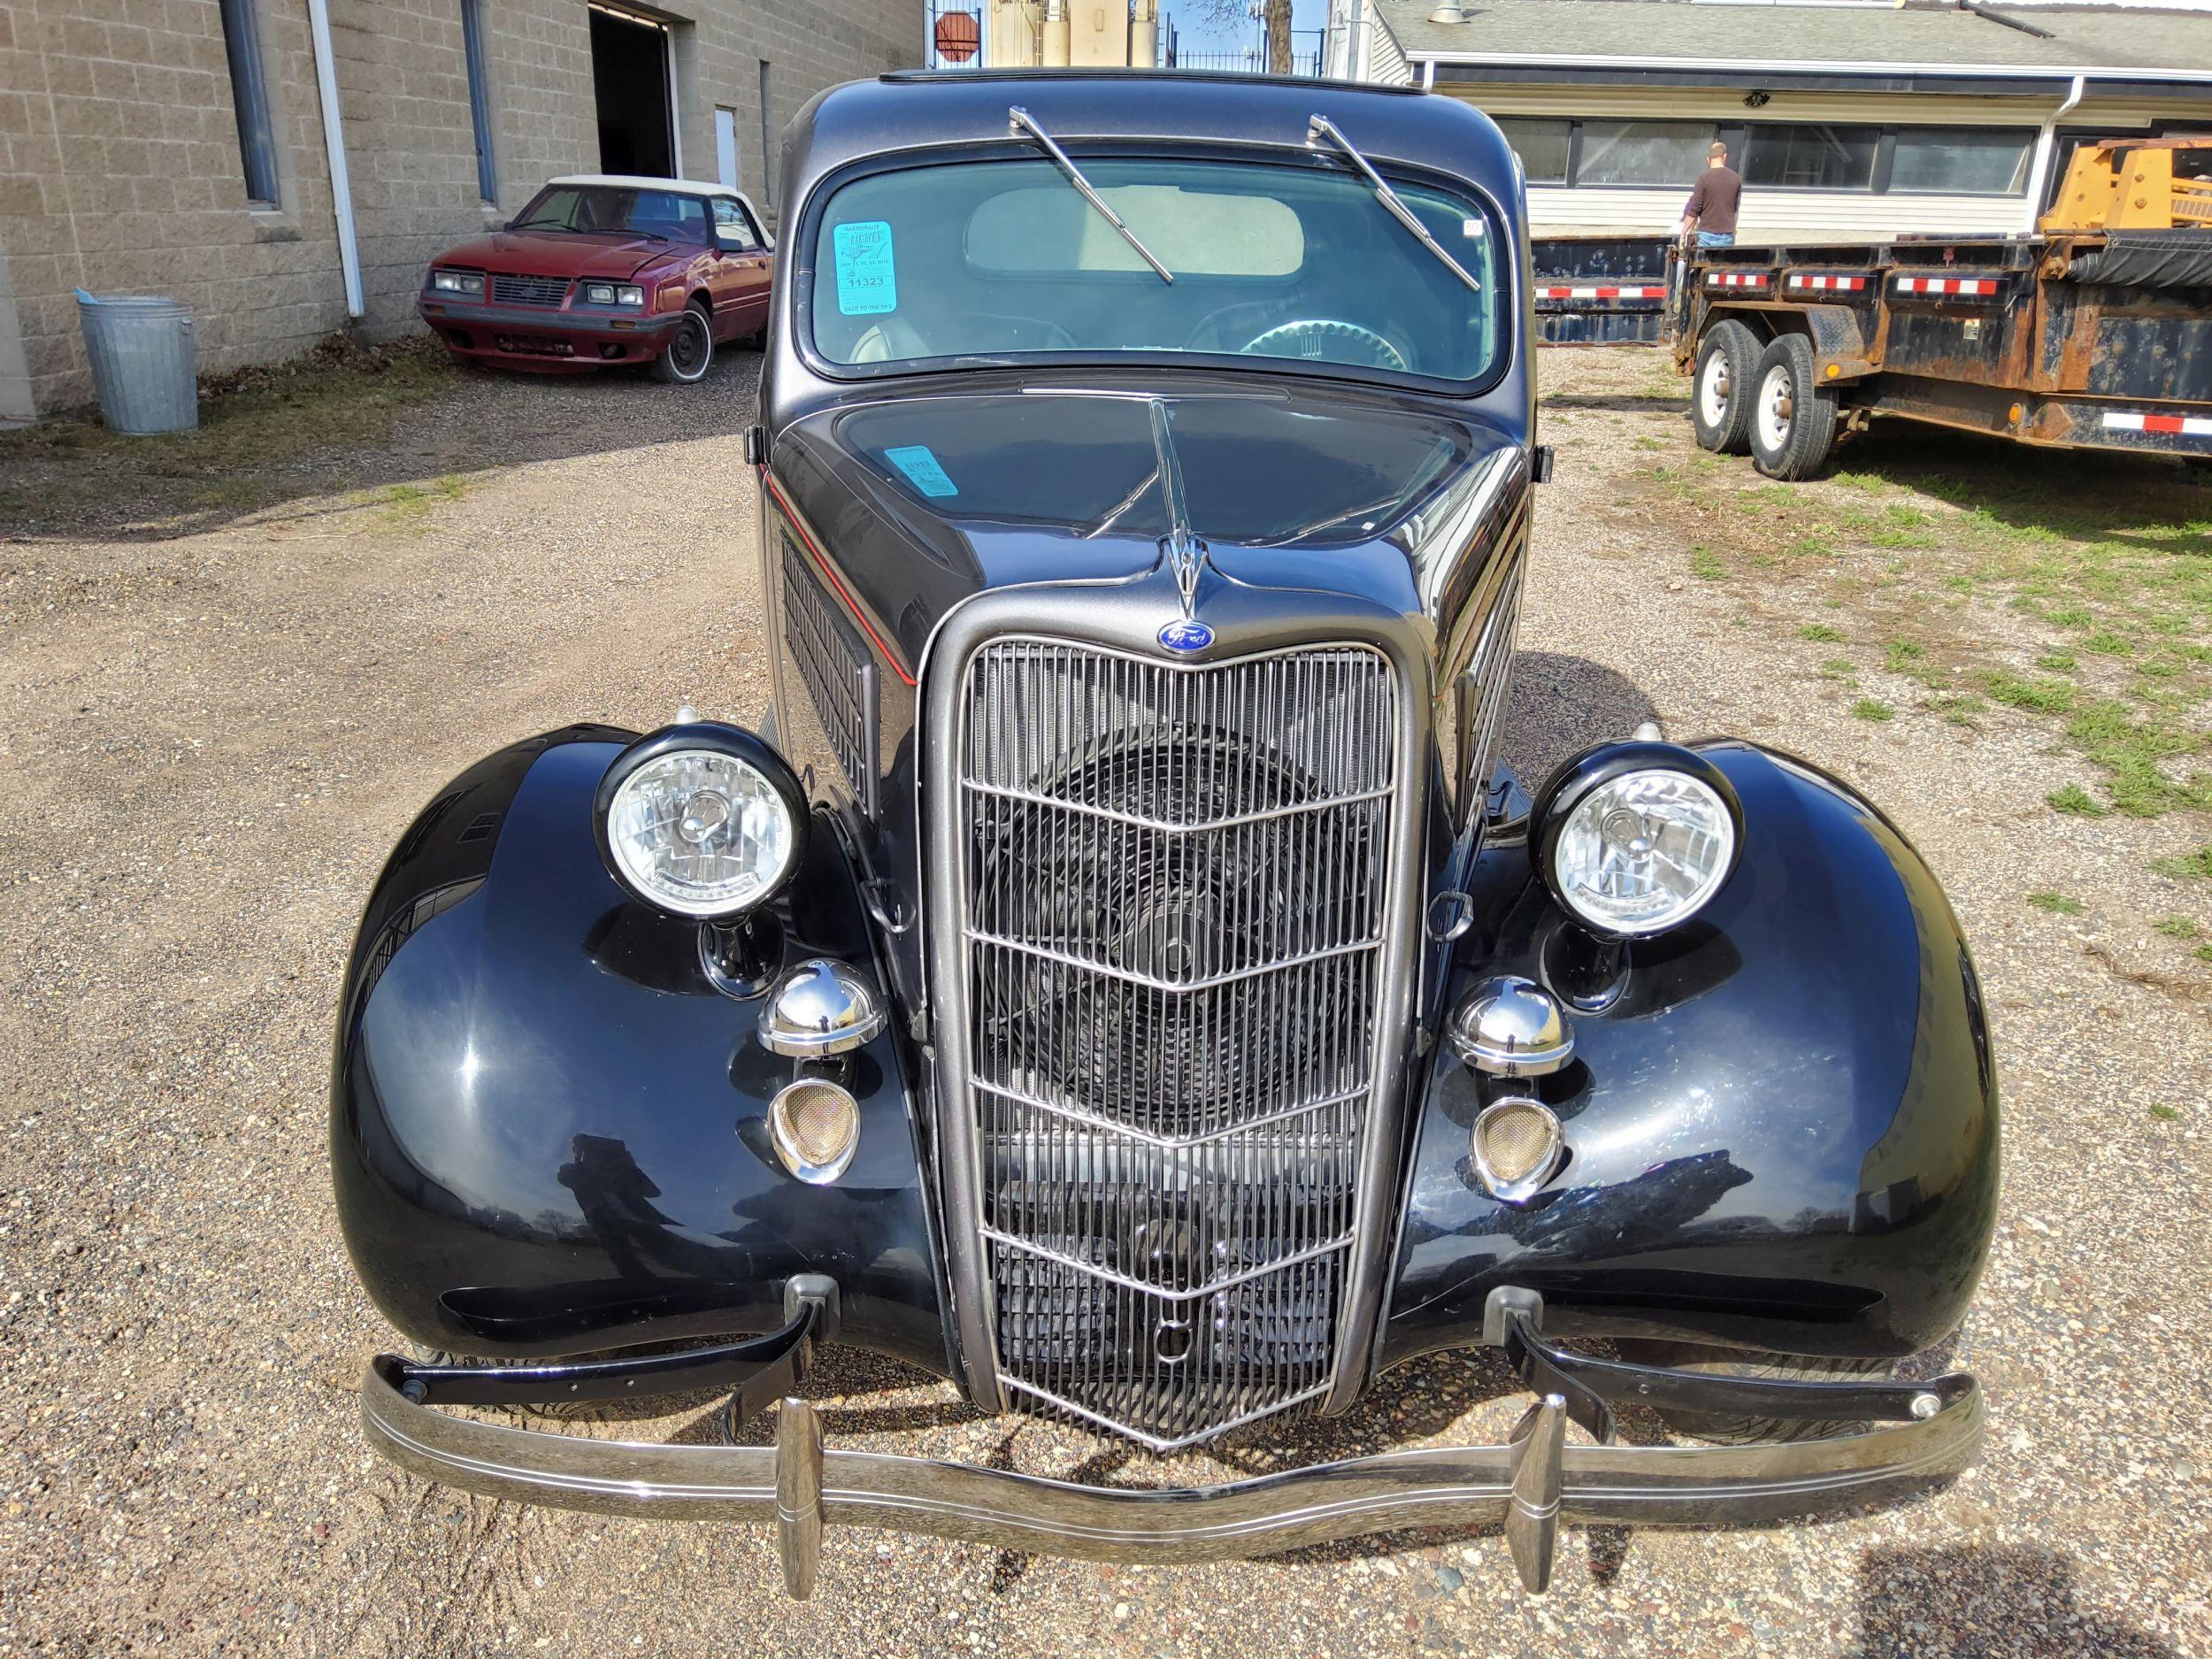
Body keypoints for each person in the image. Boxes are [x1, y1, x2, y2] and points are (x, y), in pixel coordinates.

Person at [1679, 142, 1742, 249]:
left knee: (1702, 264)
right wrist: (1732, 229)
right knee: (1722, 264)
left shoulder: (1703, 179)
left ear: (1708, 159)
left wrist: (1683, 232)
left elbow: (1695, 209)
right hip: (1727, 235)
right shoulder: (1736, 179)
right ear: (1725, 157)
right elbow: (1735, 210)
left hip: (1705, 234)